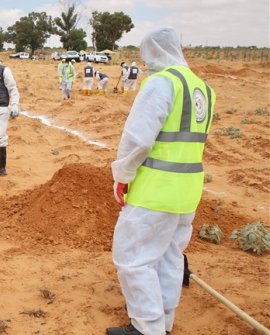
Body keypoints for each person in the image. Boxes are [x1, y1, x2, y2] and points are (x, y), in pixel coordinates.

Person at [107, 26, 216, 335]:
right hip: (188, 192)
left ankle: (146, 328)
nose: (144, 62)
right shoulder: (202, 89)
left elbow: (138, 140)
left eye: (146, 55)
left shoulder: (161, 84)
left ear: (154, 51)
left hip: (156, 191)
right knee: (169, 257)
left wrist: (122, 176)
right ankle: (164, 323)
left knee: (133, 259)